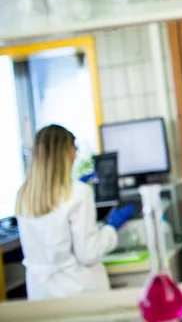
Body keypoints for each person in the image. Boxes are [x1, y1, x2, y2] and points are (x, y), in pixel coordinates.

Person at [16, 124, 135, 300]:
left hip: (41, 295)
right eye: (74, 148)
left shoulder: (25, 194)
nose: (76, 154)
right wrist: (111, 228)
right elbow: (88, 254)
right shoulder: (78, 193)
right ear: (66, 152)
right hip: (77, 294)